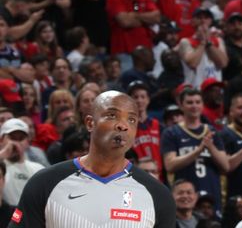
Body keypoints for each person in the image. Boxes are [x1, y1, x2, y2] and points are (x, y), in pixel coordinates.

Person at [11, 90, 176, 227]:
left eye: (131, 119)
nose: (123, 125)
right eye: (112, 115)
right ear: (90, 123)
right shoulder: (45, 183)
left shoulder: (157, 194)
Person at [162, 87, 230, 215]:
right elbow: (170, 165)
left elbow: (225, 166)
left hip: (211, 191)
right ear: (181, 105)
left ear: (202, 105)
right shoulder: (171, 133)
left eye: (198, 102)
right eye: (190, 102)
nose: (194, 106)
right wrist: (198, 150)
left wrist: (210, 147)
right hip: (185, 195)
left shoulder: (212, 132)